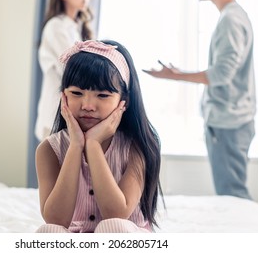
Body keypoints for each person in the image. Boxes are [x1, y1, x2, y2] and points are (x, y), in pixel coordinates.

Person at [143, 0, 255, 200]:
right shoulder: (233, 16)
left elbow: (222, 74)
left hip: (228, 123)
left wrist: (175, 76)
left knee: (233, 196)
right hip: (232, 121)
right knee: (232, 193)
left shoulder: (231, 20)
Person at [35, 40, 163, 233]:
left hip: (124, 236)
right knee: (48, 232)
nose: (87, 105)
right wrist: (76, 146)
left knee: (113, 227)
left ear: (123, 101)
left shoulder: (137, 147)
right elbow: (55, 219)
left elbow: (116, 214)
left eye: (102, 95)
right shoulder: (49, 149)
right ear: (64, 97)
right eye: (77, 93)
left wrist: (93, 145)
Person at [35, 0, 94, 142]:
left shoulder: (76, 28)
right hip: (55, 115)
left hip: (69, 116)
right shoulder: (56, 27)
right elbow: (75, 68)